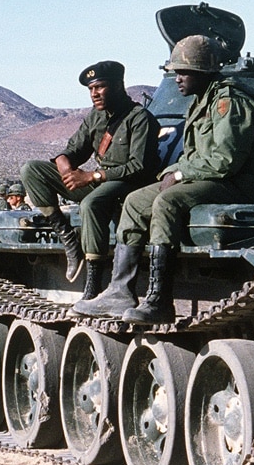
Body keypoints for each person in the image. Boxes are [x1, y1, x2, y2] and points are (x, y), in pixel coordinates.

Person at [74, 35, 254, 323]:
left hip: (235, 185)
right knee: (136, 201)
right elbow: (195, 155)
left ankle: (159, 300)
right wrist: (172, 171)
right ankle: (120, 291)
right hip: (209, 179)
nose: (177, 78)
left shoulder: (229, 103)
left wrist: (179, 173)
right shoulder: (203, 101)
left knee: (167, 201)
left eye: (183, 71)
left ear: (202, 71)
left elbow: (225, 161)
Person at [20, 60, 160, 300]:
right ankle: (68, 238)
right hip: (100, 182)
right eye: (91, 89)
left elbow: (140, 167)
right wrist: (64, 161)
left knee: (91, 204)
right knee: (31, 169)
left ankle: (93, 284)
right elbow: (75, 149)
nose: (94, 94)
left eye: (100, 87)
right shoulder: (95, 118)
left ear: (118, 85)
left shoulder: (139, 118)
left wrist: (93, 176)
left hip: (128, 185)